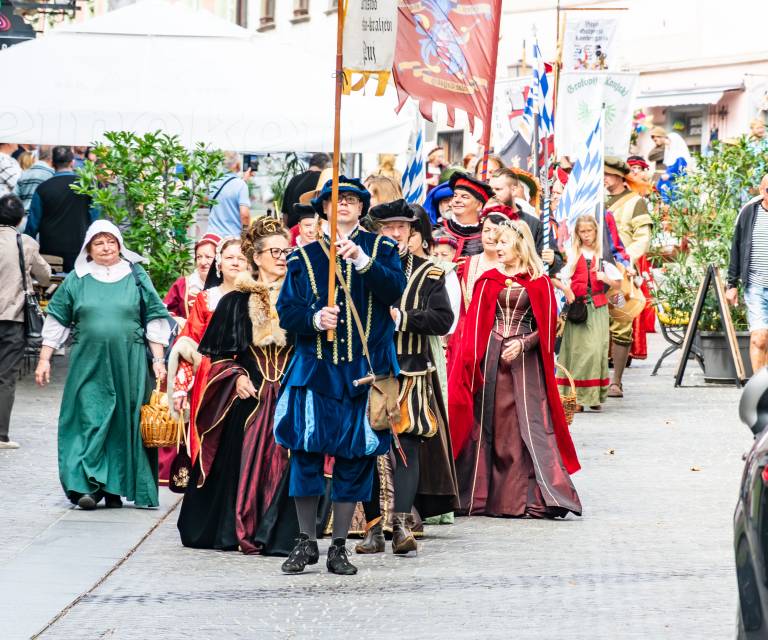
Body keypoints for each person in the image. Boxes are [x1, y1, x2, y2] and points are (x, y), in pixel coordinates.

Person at [274, 176, 406, 575]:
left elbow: (394, 290)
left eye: (351, 199)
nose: (343, 204)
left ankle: (338, 547)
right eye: (335, 199)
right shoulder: (302, 257)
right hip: (315, 370)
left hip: (364, 374)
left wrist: (362, 262)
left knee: (355, 458)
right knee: (306, 455)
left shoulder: (382, 249)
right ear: (325, 209)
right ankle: (305, 542)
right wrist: (315, 319)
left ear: (362, 207)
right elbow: (287, 312)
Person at [177, 218, 297, 555]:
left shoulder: (298, 299)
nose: (282, 258)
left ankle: (279, 533)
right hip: (249, 396)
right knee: (238, 462)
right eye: (275, 252)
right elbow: (217, 356)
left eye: (286, 252)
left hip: (291, 393)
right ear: (256, 257)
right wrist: (237, 376)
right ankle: (240, 527)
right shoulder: (235, 302)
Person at [449, 219, 581, 518]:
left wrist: (523, 343)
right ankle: (481, 496)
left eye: (504, 242)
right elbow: (475, 324)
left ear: (520, 245)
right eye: (496, 242)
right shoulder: (488, 280)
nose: (497, 247)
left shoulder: (539, 282)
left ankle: (524, 497)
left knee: (521, 425)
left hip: (525, 365)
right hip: (492, 361)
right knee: (489, 424)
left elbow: (547, 329)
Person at [35, 220, 170, 509]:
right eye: (98, 242)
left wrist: (159, 361)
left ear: (120, 244)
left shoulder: (136, 276)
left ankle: (114, 487)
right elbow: (57, 320)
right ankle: (87, 486)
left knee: (123, 420)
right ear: (88, 248)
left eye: (111, 241)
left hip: (129, 362)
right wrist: (45, 359)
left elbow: (154, 319)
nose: (106, 247)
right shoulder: (77, 279)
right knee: (88, 418)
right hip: (88, 362)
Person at [355, 199, 456, 555]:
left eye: (401, 227)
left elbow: (443, 320)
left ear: (412, 231)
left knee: (408, 447)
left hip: (410, 371)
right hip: (369, 372)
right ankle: (372, 530)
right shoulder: (361, 267)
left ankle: (400, 526)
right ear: (377, 231)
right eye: (388, 227)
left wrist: (404, 319)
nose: (395, 233)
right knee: (366, 450)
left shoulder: (430, 273)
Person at [161, 235, 240, 484]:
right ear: (219, 263)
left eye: (241, 258)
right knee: (208, 436)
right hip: (210, 377)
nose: (235, 262)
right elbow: (188, 343)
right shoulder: (207, 299)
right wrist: (181, 386)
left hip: (248, 374)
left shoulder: (256, 298)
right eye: (229, 257)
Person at [0, 194, 51, 450]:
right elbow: (45, 276)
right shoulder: (26, 243)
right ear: (20, 219)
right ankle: (1, 435)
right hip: (13, 319)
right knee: (5, 377)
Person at [557, 215, 622, 411]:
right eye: (582, 232)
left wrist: (605, 278)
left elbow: (618, 284)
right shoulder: (572, 253)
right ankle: (576, 398)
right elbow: (557, 277)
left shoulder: (602, 254)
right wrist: (566, 289)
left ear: (595, 231)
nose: (586, 235)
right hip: (578, 308)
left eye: (589, 231)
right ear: (577, 233)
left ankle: (593, 395)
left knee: (596, 350)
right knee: (577, 352)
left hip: (598, 307)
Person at [603, 157, 653, 398]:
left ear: (619, 176)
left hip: (620, 275)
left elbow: (643, 237)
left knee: (621, 321)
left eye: (608, 174)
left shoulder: (635, 202)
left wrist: (626, 261)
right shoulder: (597, 200)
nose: (604, 178)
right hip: (595, 272)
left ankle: (617, 381)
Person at [25, 146, 99, 273]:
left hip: (50, 249)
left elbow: (33, 225)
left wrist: (25, 247)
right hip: (79, 248)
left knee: (51, 284)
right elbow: (95, 217)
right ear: (72, 162)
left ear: (52, 163)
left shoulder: (43, 188)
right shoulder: (86, 187)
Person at [727, 173, 768, 372]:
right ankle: (760, 387)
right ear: (761, 190)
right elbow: (736, 247)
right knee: (759, 339)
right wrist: (731, 284)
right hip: (756, 285)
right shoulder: (749, 212)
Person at [163, 233, 221, 326]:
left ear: (219, 259)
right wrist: (178, 321)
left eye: (208, 257)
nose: (202, 262)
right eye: (199, 257)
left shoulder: (228, 285)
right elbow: (165, 312)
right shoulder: (183, 284)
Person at [440, 172, 494, 258]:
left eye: (464, 197)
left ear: (479, 205)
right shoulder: (438, 229)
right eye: (455, 195)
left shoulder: (488, 236)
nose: (456, 200)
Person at [207, 152, 251, 237]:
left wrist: (243, 180)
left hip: (213, 236)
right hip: (232, 238)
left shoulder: (212, 183)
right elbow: (244, 215)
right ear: (236, 164)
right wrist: (246, 235)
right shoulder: (240, 185)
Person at [282, 153, 331, 228]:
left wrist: (288, 231)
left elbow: (285, 213)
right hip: (315, 230)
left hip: (292, 229)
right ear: (326, 166)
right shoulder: (325, 182)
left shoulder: (294, 180)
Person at [14, 146, 54, 212]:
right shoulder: (53, 175)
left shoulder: (23, 174)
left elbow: (14, 197)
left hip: (23, 215)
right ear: (52, 157)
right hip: (42, 215)